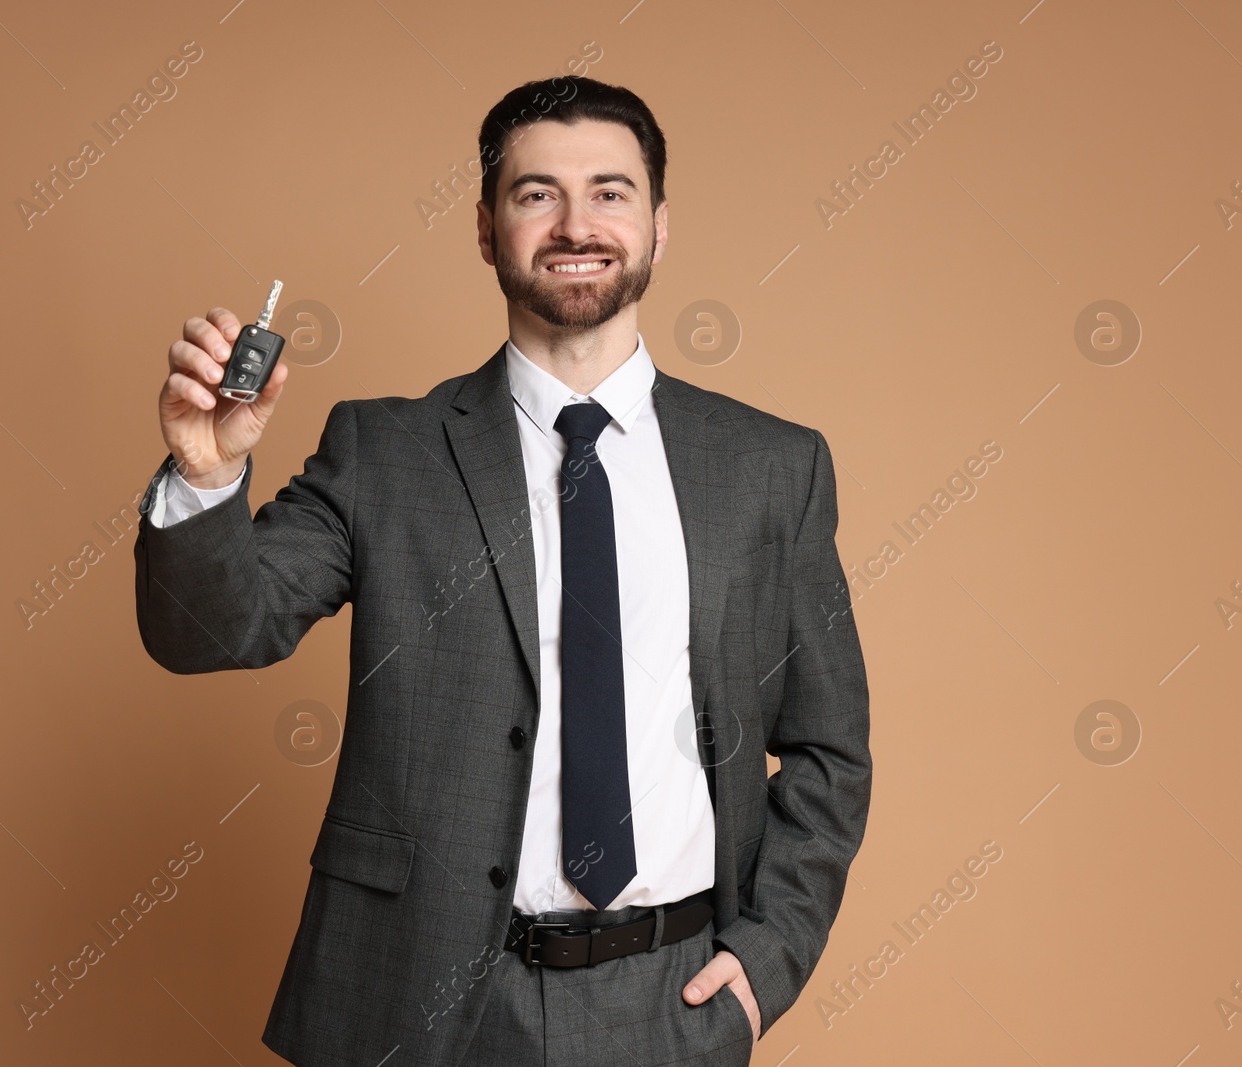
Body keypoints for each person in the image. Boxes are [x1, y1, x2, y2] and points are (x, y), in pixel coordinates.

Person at [133, 75, 871, 1067]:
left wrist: (768, 957)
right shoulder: (383, 451)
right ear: (486, 227)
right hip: (420, 1004)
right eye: (536, 193)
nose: (577, 222)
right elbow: (212, 632)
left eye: (610, 191)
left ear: (660, 224)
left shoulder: (770, 467)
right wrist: (205, 473)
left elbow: (829, 750)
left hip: (671, 1003)